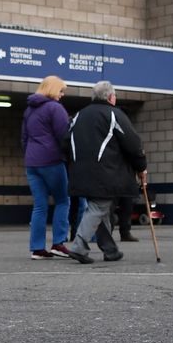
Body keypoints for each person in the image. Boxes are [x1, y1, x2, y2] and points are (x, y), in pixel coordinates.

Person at [62, 81, 146, 264]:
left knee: (102, 209)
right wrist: (141, 166)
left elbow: (65, 143)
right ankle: (79, 246)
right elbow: (133, 143)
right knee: (99, 207)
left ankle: (110, 250)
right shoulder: (114, 114)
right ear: (111, 97)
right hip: (105, 173)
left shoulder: (78, 116)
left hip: (79, 171)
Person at [20, 75, 72, 259]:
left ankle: (37, 248)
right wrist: (69, 157)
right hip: (51, 161)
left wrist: (30, 155)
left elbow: (24, 138)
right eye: (61, 90)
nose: (62, 94)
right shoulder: (54, 108)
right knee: (63, 200)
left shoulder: (29, 110)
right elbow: (63, 136)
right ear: (52, 89)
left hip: (32, 162)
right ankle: (58, 243)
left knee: (40, 206)